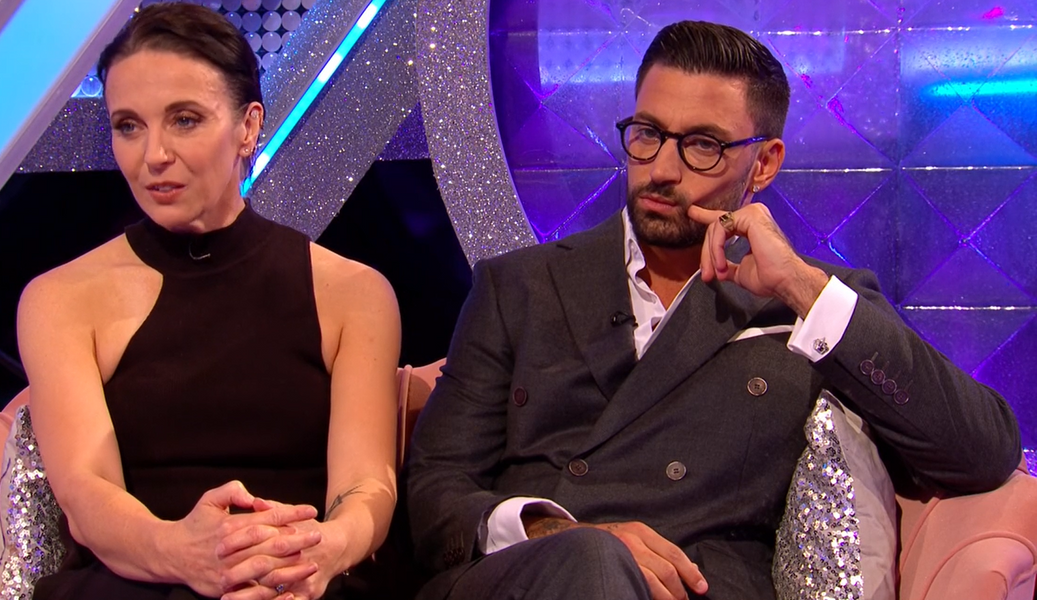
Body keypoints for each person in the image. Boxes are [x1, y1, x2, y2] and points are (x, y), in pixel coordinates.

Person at [405, 20, 1022, 600]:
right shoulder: (519, 285)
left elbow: (984, 449)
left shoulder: (813, 302)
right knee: (590, 560)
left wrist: (800, 287)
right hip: (531, 579)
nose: (661, 170)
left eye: (702, 145)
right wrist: (552, 531)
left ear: (765, 163)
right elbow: (435, 492)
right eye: (647, 134)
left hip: (697, 586)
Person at [18, 4, 401, 599]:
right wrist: (185, 554)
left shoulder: (353, 293)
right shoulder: (59, 300)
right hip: (135, 583)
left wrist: (319, 554)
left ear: (248, 127)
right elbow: (86, 494)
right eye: (128, 126)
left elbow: (365, 486)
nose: (153, 155)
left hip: (299, 582)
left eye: (184, 120)